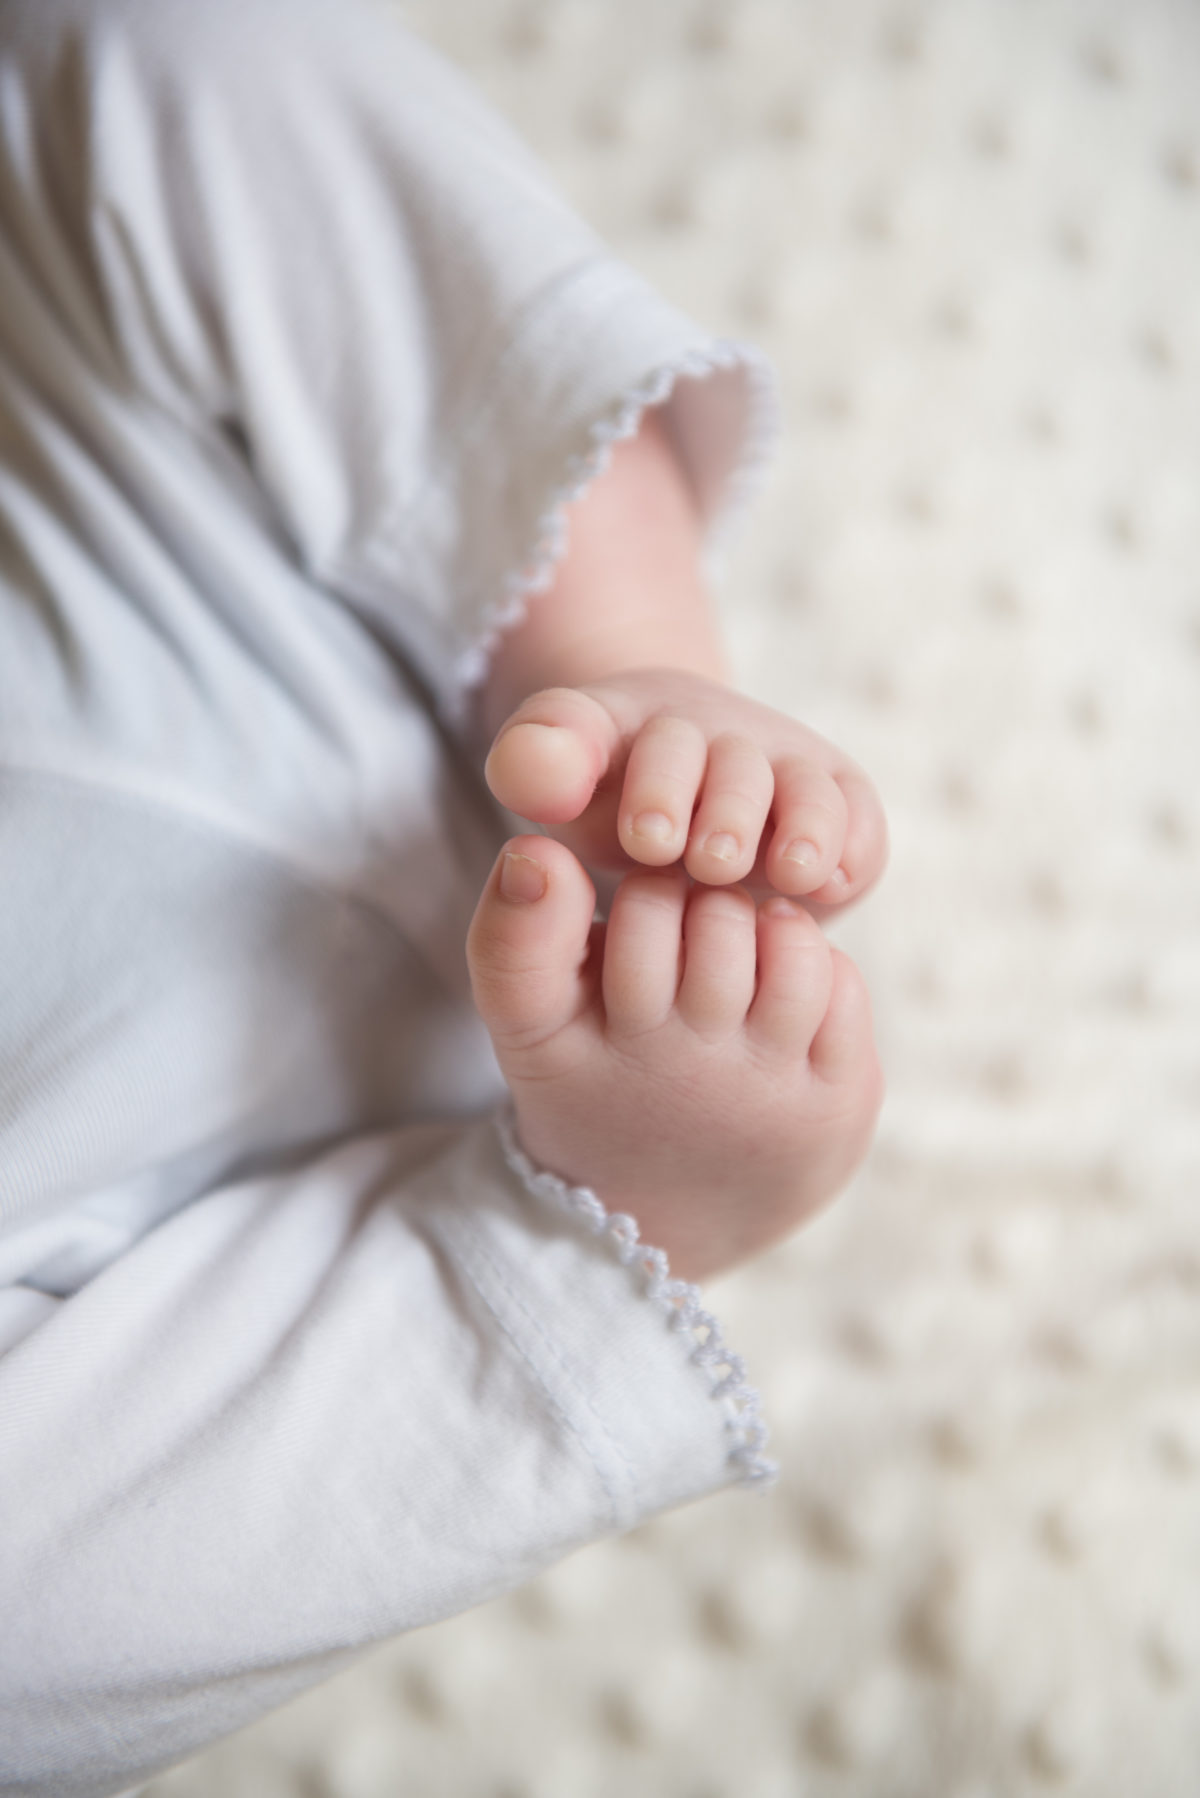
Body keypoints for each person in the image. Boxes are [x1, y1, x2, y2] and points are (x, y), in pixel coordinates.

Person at [0, 0, 885, 1792]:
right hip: (155, 1247)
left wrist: (605, 651)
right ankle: (586, 1221)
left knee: (162, 53)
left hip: (207, 556)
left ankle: (619, 643)